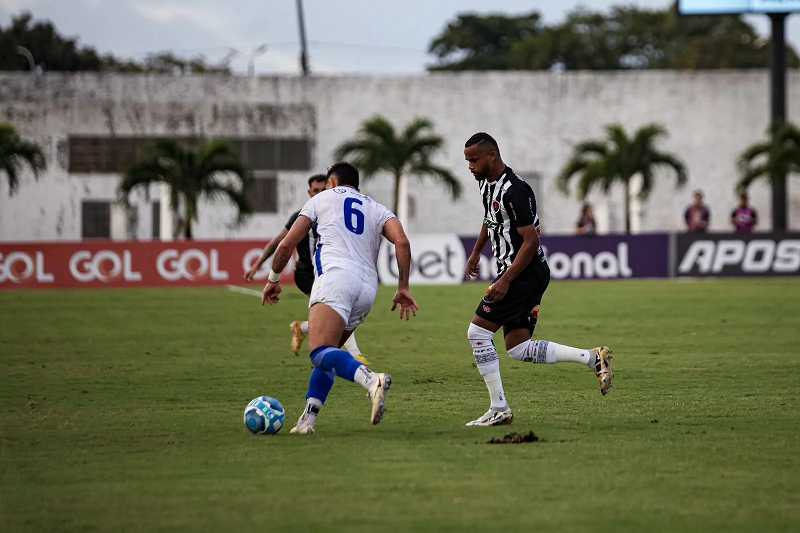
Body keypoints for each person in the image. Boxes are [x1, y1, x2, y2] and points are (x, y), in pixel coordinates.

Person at [463, 133, 613, 427]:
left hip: (523, 273)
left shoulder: (516, 190)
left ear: (492, 155)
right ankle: (593, 358)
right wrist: (476, 252)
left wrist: (505, 280)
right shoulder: (486, 183)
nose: (469, 166)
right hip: (521, 273)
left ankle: (499, 408)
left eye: (474, 159)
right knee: (518, 348)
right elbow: (489, 219)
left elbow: (530, 242)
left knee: (477, 333)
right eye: (467, 160)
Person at [261, 162, 418, 434]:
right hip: (368, 288)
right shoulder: (377, 208)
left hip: (336, 279)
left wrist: (273, 280)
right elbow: (402, 242)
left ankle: (372, 381)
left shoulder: (321, 199)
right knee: (330, 354)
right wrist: (403, 286)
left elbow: (287, 244)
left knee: (320, 352)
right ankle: (307, 420)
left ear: (331, 183)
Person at [245, 174, 369, 365]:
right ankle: (355, 355)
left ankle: (302, 328)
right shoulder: (302, 216)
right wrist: (257, 265)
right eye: (315, 191)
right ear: (309, 192)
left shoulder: (336, 214)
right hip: (307, 274)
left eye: (323, 190)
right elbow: (278, 243)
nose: (319, 193)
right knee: (339, 311)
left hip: (331, 271)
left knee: (336, 315)